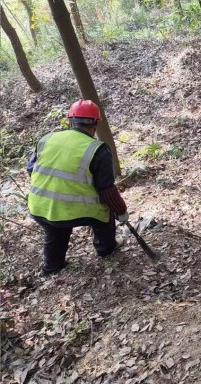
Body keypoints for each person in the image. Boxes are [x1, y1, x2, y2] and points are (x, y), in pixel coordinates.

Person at [27, 99, 129, 275]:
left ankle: (51, 268)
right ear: (95, 125)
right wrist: (121, 211)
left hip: (39, 206)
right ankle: (106, 248)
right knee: (104, 213)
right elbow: (107, 190)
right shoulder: (97, 149)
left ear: (70, 121)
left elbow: (31, 169)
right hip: (70, 210)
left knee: (55, 229)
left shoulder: (47, 139)